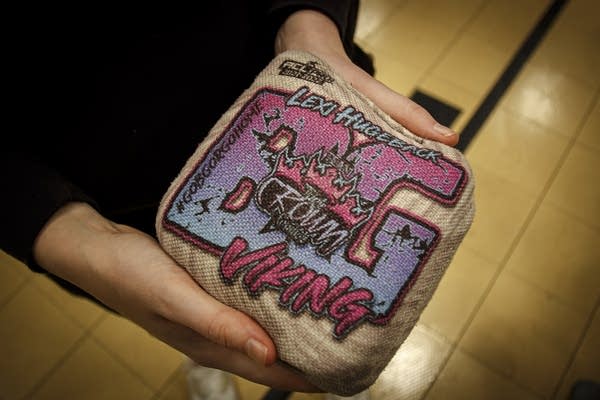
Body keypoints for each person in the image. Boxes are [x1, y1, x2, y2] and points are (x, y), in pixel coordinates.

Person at [1, 1, 458, 398]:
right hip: (110, 195)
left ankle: (328, 353)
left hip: (302, 84)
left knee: (334, 332)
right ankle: (207, 358)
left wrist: (307, 21)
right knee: (195, 316)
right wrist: (47, 219)